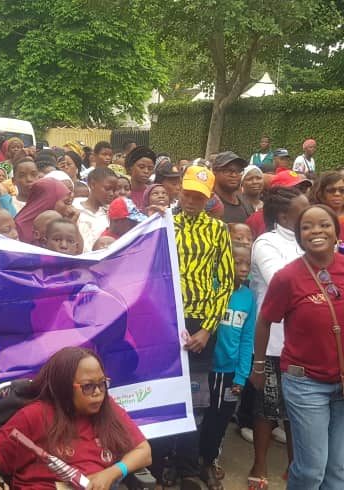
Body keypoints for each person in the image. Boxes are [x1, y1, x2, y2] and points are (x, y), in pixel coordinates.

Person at [250, 204, 344, 490]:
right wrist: (258, 366)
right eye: (307, 227)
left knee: (338, 469)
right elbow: (264, 321)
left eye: (324, 225)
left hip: (342, 383)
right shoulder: (288, 277)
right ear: (299, 235)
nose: (316, 231)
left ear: (336, 232)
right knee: (311, 469)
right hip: (306, 384)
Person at [154, 164, 234, 490]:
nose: (190, 200)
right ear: (179, 191)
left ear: (208, 197)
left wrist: (207, 329)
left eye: (198, 196)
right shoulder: (163, 223)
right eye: (187, 193)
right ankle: (161, 463)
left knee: (194, 397)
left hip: (200, 322)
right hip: (165, 320)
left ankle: (187, 466)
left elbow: (225, 282)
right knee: (164, 392)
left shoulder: (218, 230)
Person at [0, 346, 151, 490]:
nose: (98, 393)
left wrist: (112, 473)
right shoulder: (35, 415)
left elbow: (144, 451)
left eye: (102, 383)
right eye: (88, 386)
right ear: (64, 387)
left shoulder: (107, 409)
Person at [246, 186, 309, 488]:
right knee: (267, 409)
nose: (309, 213)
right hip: (271, 341)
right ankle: (259, 464)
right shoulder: (266, 242)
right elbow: (278, 281)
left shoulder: (306, 242)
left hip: (304, 342)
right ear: (284, 216)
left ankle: (294, 466)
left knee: (297, 411)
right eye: (303, 209)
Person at [199, 244, 256, 486]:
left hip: (229, 372)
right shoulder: (209, 288)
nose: (243, 268)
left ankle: (208, 462)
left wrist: (241, 376)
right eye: (237, 262)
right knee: (200, 417)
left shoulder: (248, 297)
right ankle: (186, 462)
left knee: (220, 419)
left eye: (247, 264)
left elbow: (247, 339)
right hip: (204, 368)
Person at [245, 170, 312, 239]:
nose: (299, 193)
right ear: (276, 194)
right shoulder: (256, 220)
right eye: (292, 190)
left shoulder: (309, 217)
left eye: (302, 189)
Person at [15, 179, 77, 243]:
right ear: (49, 202)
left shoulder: (64, 223)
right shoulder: (16, 229)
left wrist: (72, 225)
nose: (70, 208)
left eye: (70, 203)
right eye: (66, 202)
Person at [74, 167, 117, 252]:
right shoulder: (75, 208)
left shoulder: (111, 214)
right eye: (107, 189)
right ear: (93, 185)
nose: (111, 193)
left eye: (114, 190)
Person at [212, 151, 253, 223]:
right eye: (228, 171)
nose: (234, 175)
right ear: (215, 172)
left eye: (238, 171)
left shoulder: (246, 202)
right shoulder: (208, 204)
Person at [311, 171, 344, 240]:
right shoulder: (312, 217)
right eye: (331, 190)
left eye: (342, 190)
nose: (337, 194)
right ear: (321, 194)